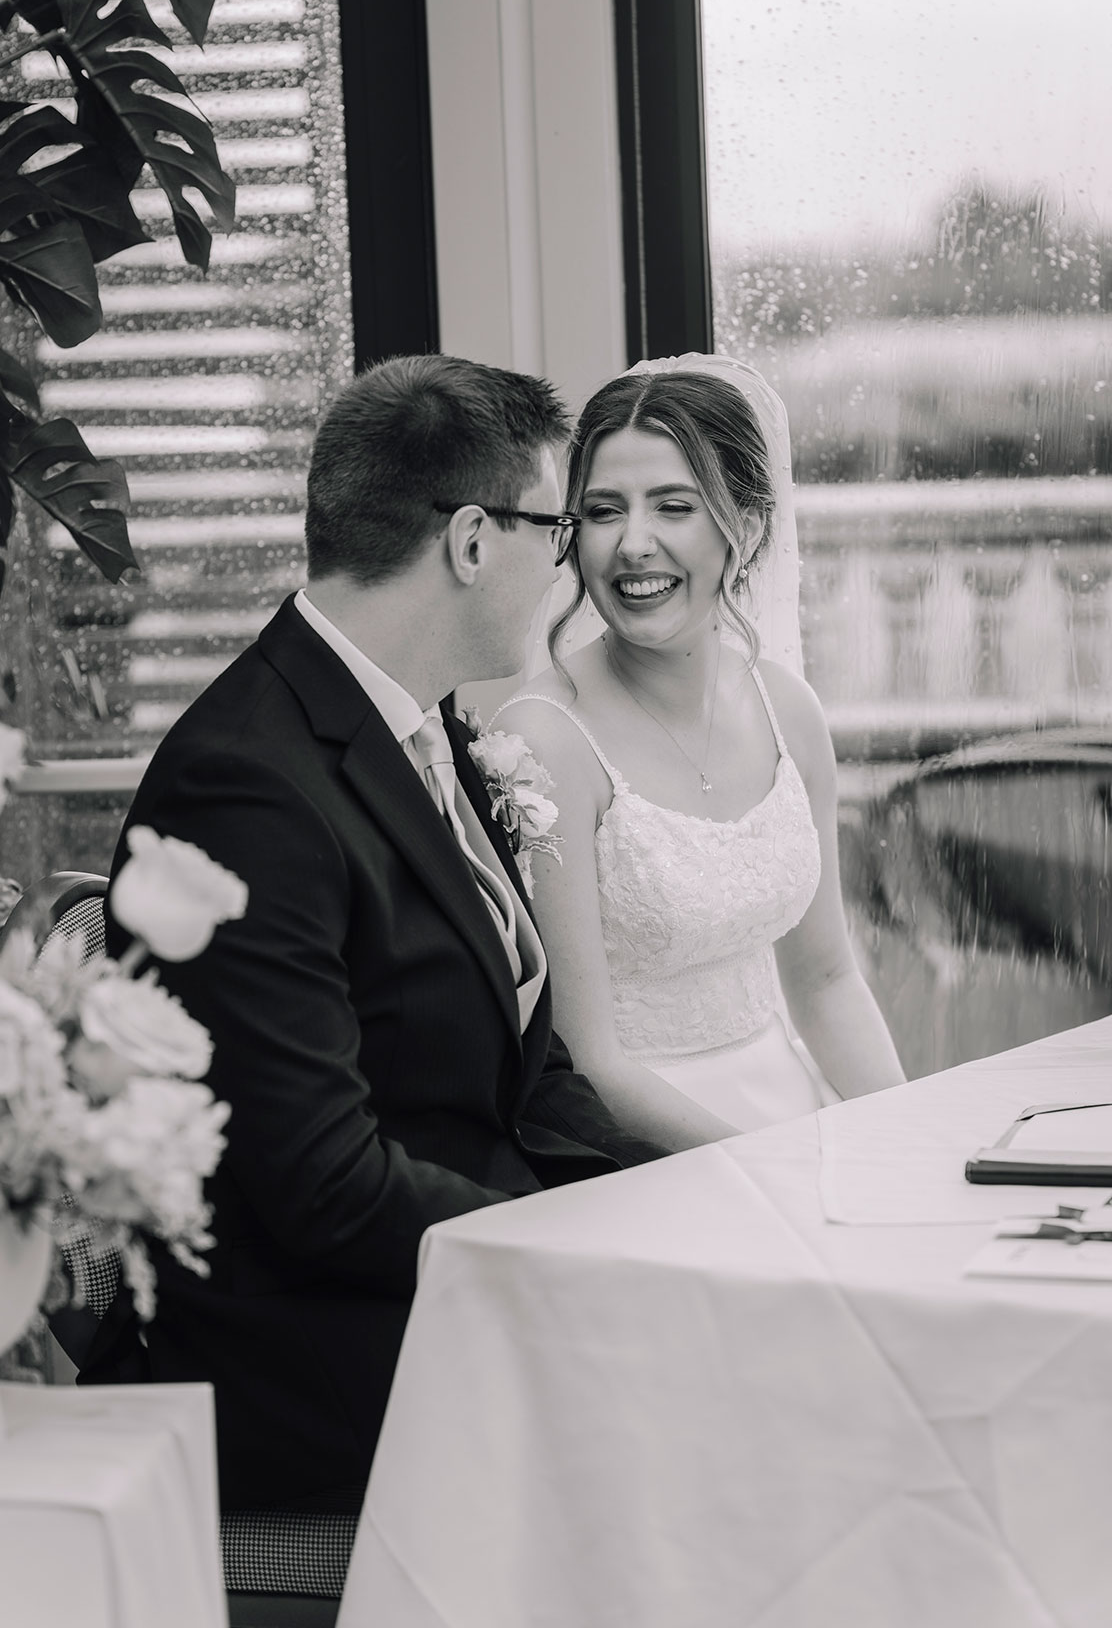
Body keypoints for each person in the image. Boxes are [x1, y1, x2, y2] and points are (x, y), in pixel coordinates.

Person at [81, 354, 668, 1512]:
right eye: (556, 531)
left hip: (462, 1276)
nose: (567, 570)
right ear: (469, 541)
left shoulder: (423, 726)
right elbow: (324, 1186)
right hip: (336, 1356)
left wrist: (666, 1211)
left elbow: (527, 1072)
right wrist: (582, 1264)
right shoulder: (246, 786)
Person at [495, 353, 905, 1152]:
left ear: (745, 526)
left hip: (789, 1111)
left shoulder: (789, 709)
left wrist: (902, 1137)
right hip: (640, 1153)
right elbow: (588, 1060)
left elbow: (824, 981)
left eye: (673, 506)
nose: (632, 544)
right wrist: (765, 1177)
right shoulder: (539, 745)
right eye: (604, 511)